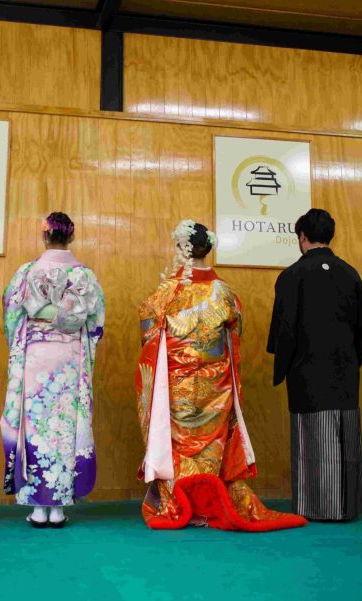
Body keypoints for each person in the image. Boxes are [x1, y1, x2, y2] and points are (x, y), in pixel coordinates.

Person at [135, 220, 306, 532]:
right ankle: (210, 502)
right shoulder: (224, 293)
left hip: (176, 384)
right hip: (217, 383)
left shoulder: (164, 294)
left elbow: (146, 334)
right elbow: (235, 335)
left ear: (179, 249)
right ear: (208, 249)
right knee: (212, 445)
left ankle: (181, 500)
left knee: (180, 444)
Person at [1, 212, 105, 528]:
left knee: (35, 429)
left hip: (35, 357)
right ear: (71, 237)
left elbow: (11, 314)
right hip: (69, 359)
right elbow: (96, 321)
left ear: (45, 236)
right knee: (63, 427)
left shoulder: (27, 272)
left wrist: (24, 340)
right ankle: (59, 505)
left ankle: (37, 505)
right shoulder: (85, 276)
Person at [267, 208, 362, 521]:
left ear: (302, 237)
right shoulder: (350, 273)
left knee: (313, 436)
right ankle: (349, 504)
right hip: (345, 369)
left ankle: (318, 505)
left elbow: (284, 330)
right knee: (346, 435)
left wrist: (280, 368)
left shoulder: (292, 276)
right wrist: (353, 360)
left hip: (307, 370)